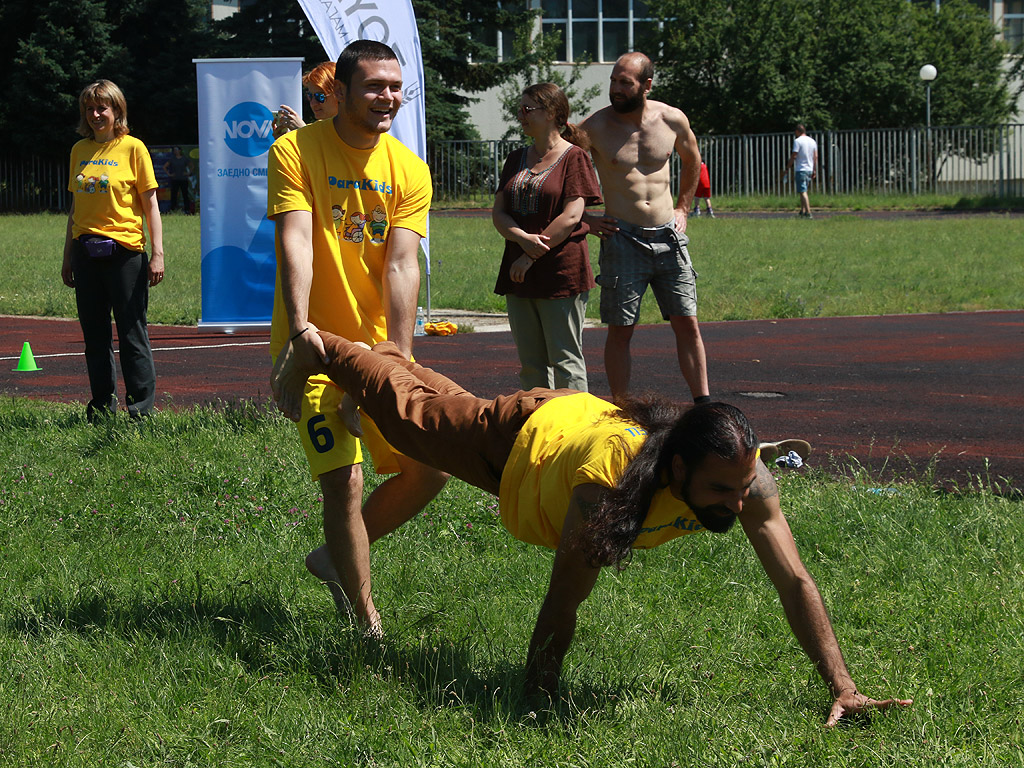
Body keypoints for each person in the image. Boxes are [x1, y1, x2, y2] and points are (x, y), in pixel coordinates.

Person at [273, 330, 913, 726]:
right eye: (720, 490)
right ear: (679, 467)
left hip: (567, 424)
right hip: (520, 440)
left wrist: (844, 687)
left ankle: (383, 353)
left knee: (440, 407)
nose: (735, 502)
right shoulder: (608, 490)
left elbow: (795, 581)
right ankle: (329, 347)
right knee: (413, 417)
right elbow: (563, 601)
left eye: (742, 485)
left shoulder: (745, 481)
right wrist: (536, 701)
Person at [267, 40, 449, 636]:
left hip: (376, 349)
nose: (388, 97)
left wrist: (394, 358)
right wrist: (301, 334)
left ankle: (337, 560)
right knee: (345, 480)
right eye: (375, 86)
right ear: (340, 92)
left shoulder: (410, 170)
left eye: (396, 87)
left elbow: (402, 267)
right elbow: (297, 242)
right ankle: (364, 621)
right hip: (314, 345)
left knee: (430, 470)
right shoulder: (296, 149)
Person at [580, 52, 710, 405]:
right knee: (620, 330)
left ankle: (703, 404)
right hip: (622, 237)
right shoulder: (593, 128)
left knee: (687, 323)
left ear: (647, 85)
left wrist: (684, 207)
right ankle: (622, 408)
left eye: (626, 82)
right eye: (613, 81)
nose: (616, 88)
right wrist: (585, 221)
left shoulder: (672, 120)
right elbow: (559, 170)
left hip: (669, 236)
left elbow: (693, 160)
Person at [61, 79, 165, 422]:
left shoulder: (133, 148)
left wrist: (157, 254)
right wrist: (67, 256)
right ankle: (101, 409)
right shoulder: (79, 151)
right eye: (89, 108)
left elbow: (151, 206)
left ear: (116, 111)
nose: (94, 114)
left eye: (101, 108)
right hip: (85, 252)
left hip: (125, 254)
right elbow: (75, 208)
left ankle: (140, 412)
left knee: (132, 332)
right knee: (94, 335)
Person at [492, 83, 602, 391]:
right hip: (518, 274)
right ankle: (538, 426)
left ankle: (575, 431)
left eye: (528, 109)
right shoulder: (515, 159)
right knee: (531, 365)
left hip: (560, 273)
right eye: (520, 109)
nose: (521, 115)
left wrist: (529, 254)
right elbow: (499, 212)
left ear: (553, 114)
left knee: (565, 360)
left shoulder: (575, 158)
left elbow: (571, 216)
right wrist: (519, 238)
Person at [273, 61, 339, 139]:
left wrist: (302, 131)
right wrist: (289, 140)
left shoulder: (353, 128)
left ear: (339, 94)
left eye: (320, 97)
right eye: (310, 96)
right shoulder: (317, 129)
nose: (313, 103)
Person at [782, 124, 818, 218]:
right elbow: (815, 157)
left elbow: (794, 155)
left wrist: (787, 167)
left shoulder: (797, 141)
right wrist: (814, 169)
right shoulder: (812, 141)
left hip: (801, 168)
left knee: (802, 191)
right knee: (804, 190)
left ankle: (808, 213)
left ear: (797, 131)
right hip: (809, 169)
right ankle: (802, 211)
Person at [162, 146, 192, 214]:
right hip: (175, 179)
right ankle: (173, 209)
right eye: (174, 150)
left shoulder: (184, 159)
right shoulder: (172, 159)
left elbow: (191, 165)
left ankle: (187, 209)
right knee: (174, 195)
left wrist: (188, 172)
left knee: (185, 194)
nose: (175, 151)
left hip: (183, 179)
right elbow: (164, 167)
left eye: (176, 150)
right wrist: (169, 174)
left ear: (180, 151)